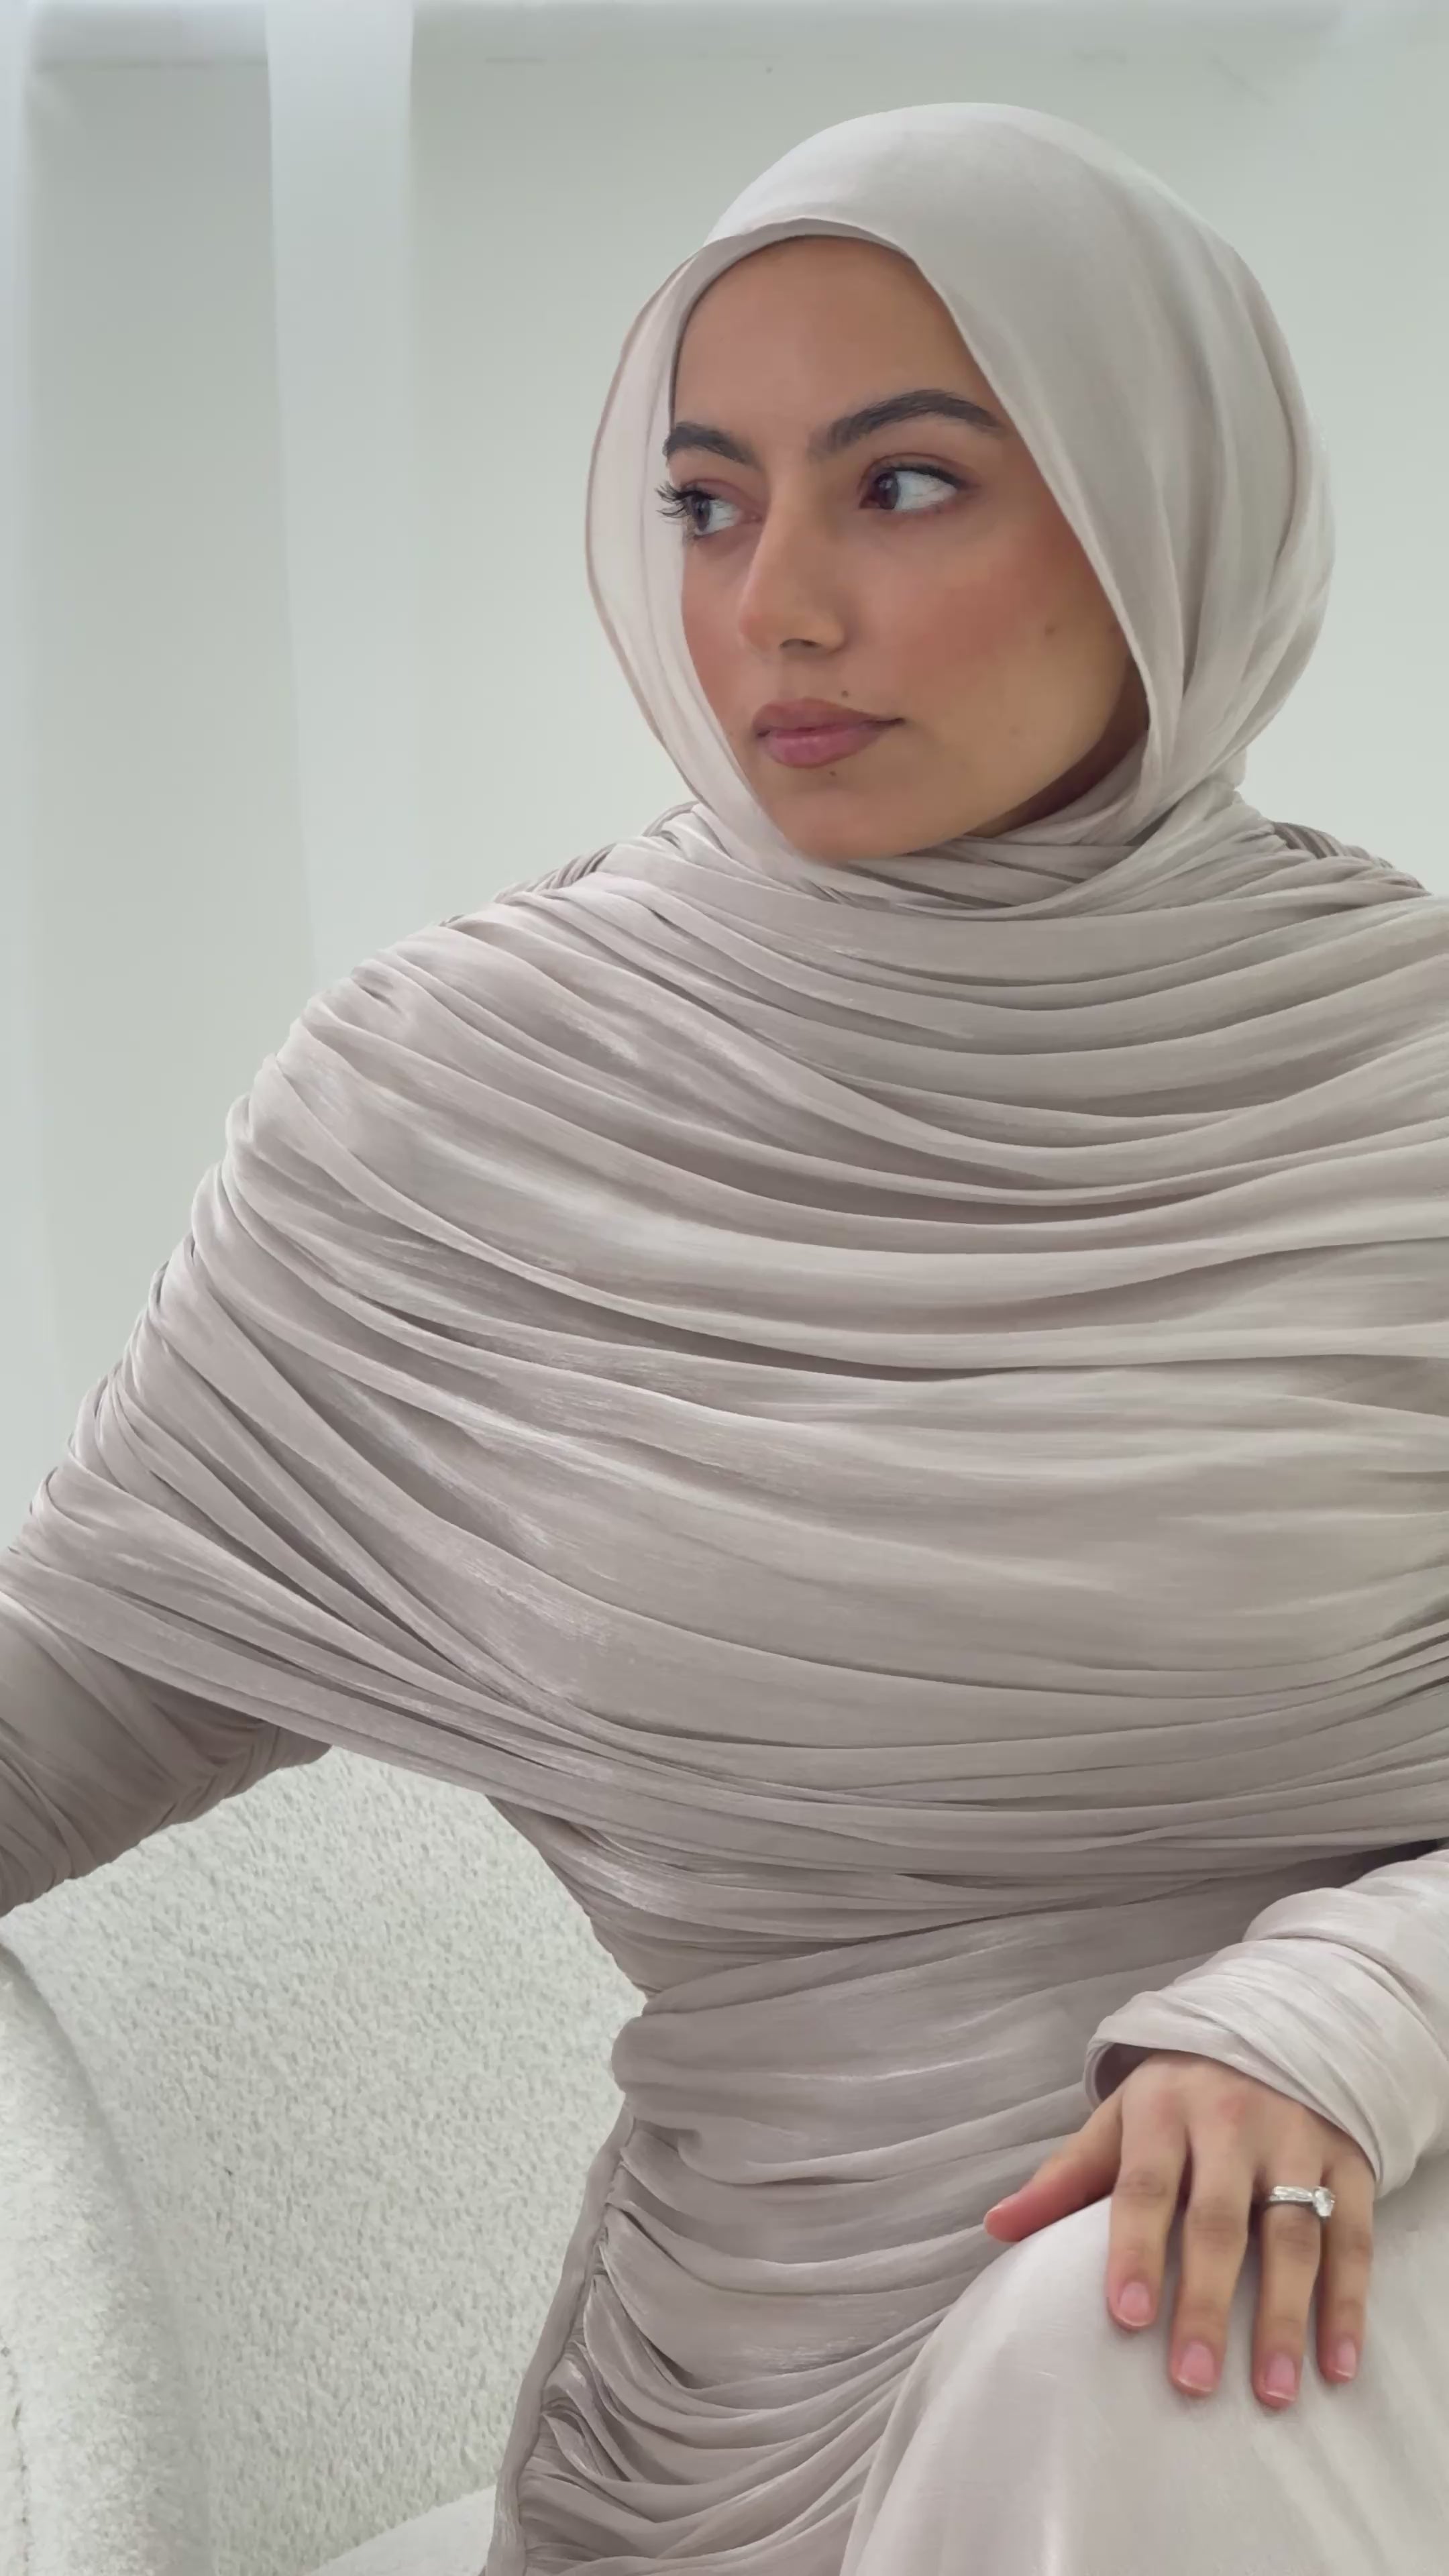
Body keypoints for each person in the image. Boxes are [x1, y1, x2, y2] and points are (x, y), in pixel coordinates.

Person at [4, 97, 1449, 2576]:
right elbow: (97, 1676)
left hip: (1378, 2214)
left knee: (1153, 2354)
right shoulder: (458, 1096)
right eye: (704, 500)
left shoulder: (1411, 1081)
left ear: (1167, 507)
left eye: (906, 486)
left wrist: (1340, 2015)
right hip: (784, 2354)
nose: (774, 602)